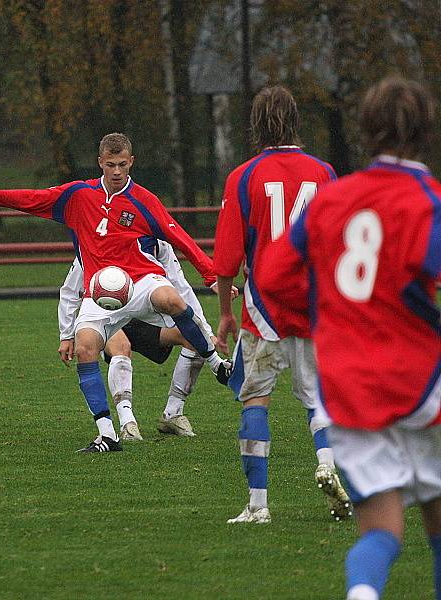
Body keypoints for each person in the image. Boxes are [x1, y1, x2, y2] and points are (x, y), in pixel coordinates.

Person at [258, 76, 441, 600]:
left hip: (348, 384)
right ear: (427, 131)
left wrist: (329, 315)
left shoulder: (332, 200)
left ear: (366, 131)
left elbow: (272, 277)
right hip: (419, 381)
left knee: (380, 530)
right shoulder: (428, 200)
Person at [0, 133, 231, 453]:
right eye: (111, 164)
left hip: (141, 278)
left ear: (132, 163)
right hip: (100, 290)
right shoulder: (77, 195)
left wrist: (211, 276)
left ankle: (216, 365)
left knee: (171, 300)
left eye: (123, 165)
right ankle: (108, 434)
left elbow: (179, 236)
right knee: (85, 347)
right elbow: (30, 198)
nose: (117, 171)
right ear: (100, 162)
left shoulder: (144, 200)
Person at [213, 85, 350, 524]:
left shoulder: (244, 176)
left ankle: (258, 505)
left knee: (255, 398)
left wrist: (226, 312)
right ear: (296, 121)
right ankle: (327, 463)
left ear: (257, 124)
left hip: (264, 307)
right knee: (318, 401)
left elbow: (227, 257)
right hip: (313, 305)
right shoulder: (324, 172)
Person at [58, 240, 237, 440]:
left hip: (144, 315)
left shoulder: (159, 244)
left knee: (193, 338)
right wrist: (66, 335)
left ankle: (172, 414)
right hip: (107, 316)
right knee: (122, 347)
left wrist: (205, 330)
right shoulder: (96, 242)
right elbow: (69, 291)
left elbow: (180, 287)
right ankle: (128, 424)